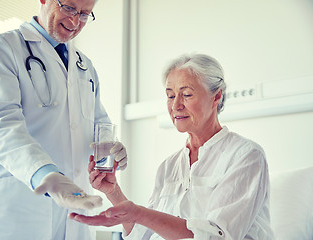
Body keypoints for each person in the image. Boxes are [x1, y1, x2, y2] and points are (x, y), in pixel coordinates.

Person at [69, 54, 275, 239]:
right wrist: (113, 191)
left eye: (186, 94)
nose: (175, 105)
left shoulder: (246, 156)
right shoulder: (169, 166)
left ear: (217, 96)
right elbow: (143, 235)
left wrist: (139, 212)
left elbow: (216, 236)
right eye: (170, 95)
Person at [0, 0, 127, 239]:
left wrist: (111, 147)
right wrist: (45, 175)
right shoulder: (3, 48)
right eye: (69, 8)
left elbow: (97, 124)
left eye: (85, 14)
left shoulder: (85, 66)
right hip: (22, 209)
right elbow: (0, 126)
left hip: (76, 211)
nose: (75, 21)